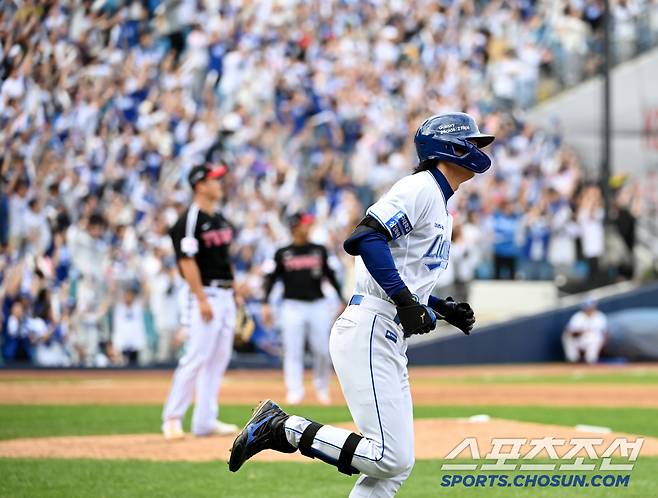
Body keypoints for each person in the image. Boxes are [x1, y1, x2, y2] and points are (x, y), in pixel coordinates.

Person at [228, 112, 490, 497]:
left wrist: (439, 306)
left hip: (385, 329)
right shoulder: (420, 188)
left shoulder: (439, 202)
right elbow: (365, 238)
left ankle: (284, 427)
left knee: (395, 466)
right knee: (388, 456)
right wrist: (405, 301)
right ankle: (283, 427)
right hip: (371, 324)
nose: (478, 149)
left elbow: (401, 271)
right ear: (448, 147)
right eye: (471, 141)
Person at [161, 163, 239, 439]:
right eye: (214, 179)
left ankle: (205, 421)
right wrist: (201, 298)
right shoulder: (189, 220)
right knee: (195, 357)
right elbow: (186, 262)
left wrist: (234, 294)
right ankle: (172, 418)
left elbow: (223, 260)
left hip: (225, 294)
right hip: (205, 293)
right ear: (199, 185)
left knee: (218, 359)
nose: (219, 183)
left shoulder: (218, 218)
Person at [262, 212, 344, 405]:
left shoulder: (319, 250)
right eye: (305, 224)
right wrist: (265, 302)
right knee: (292, 350)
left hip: (318, 304)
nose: (309, 227)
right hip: (292, 305)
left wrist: (340, 298)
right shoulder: (282, 252)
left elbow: (330, 276)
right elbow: (271, 278)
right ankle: (295, 390)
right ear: (295, 227)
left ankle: (322, 388)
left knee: (323, 350)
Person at [562, 298, 608, 364]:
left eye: (591, 307)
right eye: (587, 307)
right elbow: (569, 330)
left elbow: (605, 332)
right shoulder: (578, 316)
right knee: (566, 336)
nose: (589, 309)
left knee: (596, 338)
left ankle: (591, 360)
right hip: (580, 339)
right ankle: (573, 360)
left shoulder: (600, 316)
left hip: (593, 339)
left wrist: (605, 344)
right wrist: (577, 332)